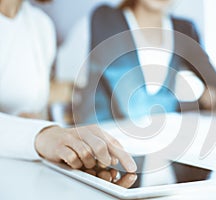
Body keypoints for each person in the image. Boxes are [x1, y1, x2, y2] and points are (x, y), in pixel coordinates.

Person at [0, 0, 137, 172]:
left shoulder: (40, 25)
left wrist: (38, 125)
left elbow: (34, 109)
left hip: (22, 169)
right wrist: (40, 134)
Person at [67, 0, 216, 123]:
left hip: (158, 145)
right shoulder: (104, 20)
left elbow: (215, 83)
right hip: (103, 145)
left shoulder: (184, 29)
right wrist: (198, 104)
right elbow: (134, 106)